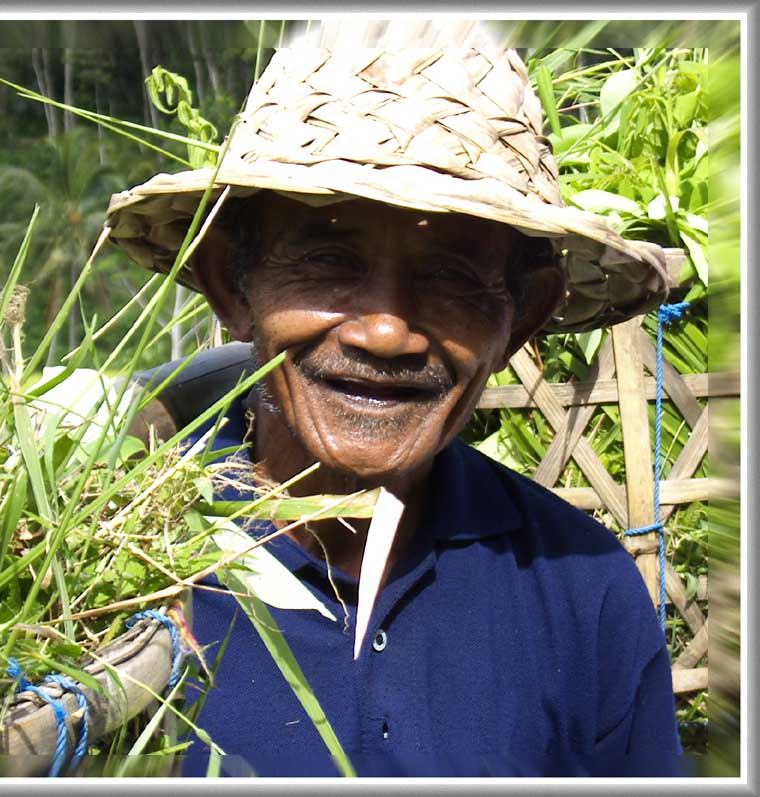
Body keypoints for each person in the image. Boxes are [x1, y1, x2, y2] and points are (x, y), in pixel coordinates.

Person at [106, 45, 683, 776]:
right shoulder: (113, 571)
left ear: (521, 320)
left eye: (451, 275)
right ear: (232, 283)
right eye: (328, 262)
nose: (384, 332)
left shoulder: (583, 595)